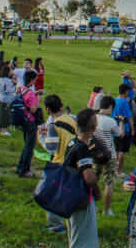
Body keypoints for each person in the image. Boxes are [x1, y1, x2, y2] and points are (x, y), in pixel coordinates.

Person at [39, 93, 77, 232]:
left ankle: (56, 225)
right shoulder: (72, 119)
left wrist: (41, 138)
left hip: (59, 163)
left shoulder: (53, 126)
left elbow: (52, 149)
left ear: (47, 110)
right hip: (74, 162)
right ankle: (72, 224)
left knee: (48, 193)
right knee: (67, 194)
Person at [65, 108, 101, 247]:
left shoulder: (72, 143)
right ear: (94, 126)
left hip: (69, 193)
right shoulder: (82, 149)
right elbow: (89, 178)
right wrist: (97, 192)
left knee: (75, 232)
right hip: (80, 197)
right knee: (83, 237)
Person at [95, 96, 123, 215]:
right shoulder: (110, 121)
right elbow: (120, 134)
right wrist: (121, 121)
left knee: (92, 181)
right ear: (110, 107)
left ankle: (92, 206)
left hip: (95, 154)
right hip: (109, 155)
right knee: (108, 182)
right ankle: (106, 210)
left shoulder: (93, 118)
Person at [16, 69, 40, 178]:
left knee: (26, 145)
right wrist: (37, 98)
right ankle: (24, 170)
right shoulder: (30, 93)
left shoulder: (20, 89)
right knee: (30, 147)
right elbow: (33, 109)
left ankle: (19, 167)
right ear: (32, 81)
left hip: (21, 119)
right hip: (30, 121)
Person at [113, 83, 134, 176]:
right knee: (123, 150)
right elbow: (129, 117)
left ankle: (115, 168)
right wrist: (132, 128)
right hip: (124, 129)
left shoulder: (114, 100)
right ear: (126, 92)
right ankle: (119, 171)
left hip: (114, 128)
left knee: (116, 149)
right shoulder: (125, 102)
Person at [0, 65, 15, 136]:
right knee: (5, 115)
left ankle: (0, 129)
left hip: (0, 97)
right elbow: (9, 90)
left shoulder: (0, 79)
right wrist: (13, 85)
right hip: (7, 99)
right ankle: (4, 130)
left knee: (0, 114)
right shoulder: (8, 80)